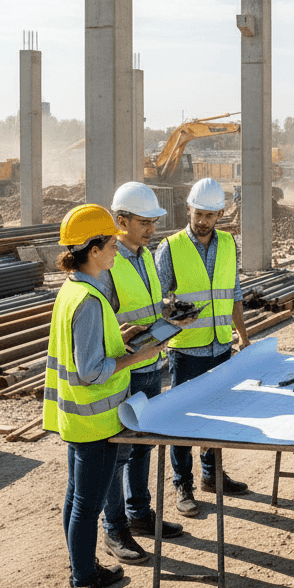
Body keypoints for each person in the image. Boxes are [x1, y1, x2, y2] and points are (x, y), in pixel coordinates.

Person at [43, 204, 174, 588]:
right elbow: (92, 370)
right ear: (95, 249)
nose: (118, 250)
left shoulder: (74, 290)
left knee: (75, 498)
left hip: (77, 416)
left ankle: (81, 572)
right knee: (86, 505)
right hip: (95, 419)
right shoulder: (90, 300)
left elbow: (91, 348)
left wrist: (123, 335)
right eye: (112, 244)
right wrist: (139, 358)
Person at [100, 182, 185, 563]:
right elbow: (102, 324)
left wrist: (169, 315)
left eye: (154, 222)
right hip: (124, 370)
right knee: (117, 455)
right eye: (145, 222)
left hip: (152, 364)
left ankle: (139, 514)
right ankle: (113, 528)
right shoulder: (106, 262)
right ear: (121, 220)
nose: (152, 228)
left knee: (142, 448)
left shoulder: (147, 255)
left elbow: (146, 309)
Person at [155, 177, 251, 516]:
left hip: (220, 347)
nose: (203, 221)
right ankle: (184, 484)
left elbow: (234, 294)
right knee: (183, 421)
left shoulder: (228, 244)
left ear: (221, 213)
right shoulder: (171, 247)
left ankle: (212, 475)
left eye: (210, 215)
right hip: (186, 350)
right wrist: (171, 310)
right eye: (198, 213)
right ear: (188, 210)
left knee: (217, 417)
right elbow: (157, 300)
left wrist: (242, 334)